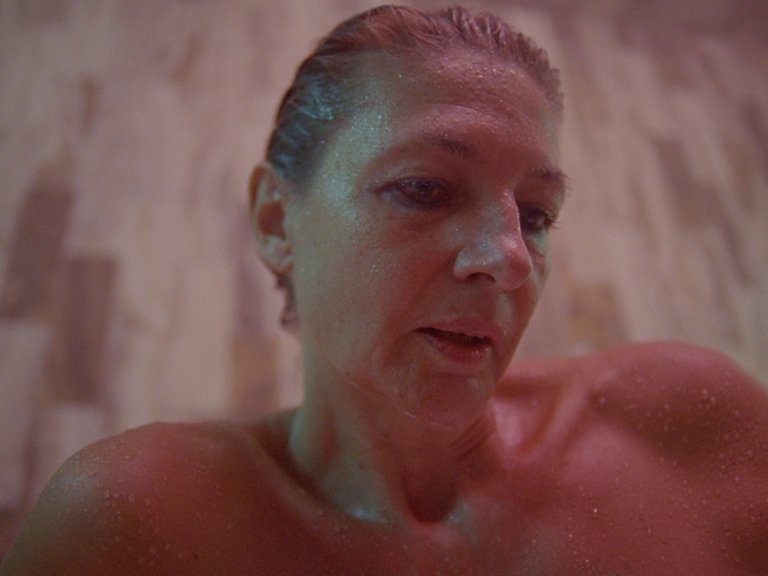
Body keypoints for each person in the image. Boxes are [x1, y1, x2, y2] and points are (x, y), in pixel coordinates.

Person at [2, 5, 767, 575]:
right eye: (425, 189)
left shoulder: (689, 429)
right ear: (276, 219)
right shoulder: (137, 528)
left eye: (536, 215)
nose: (510, 257)